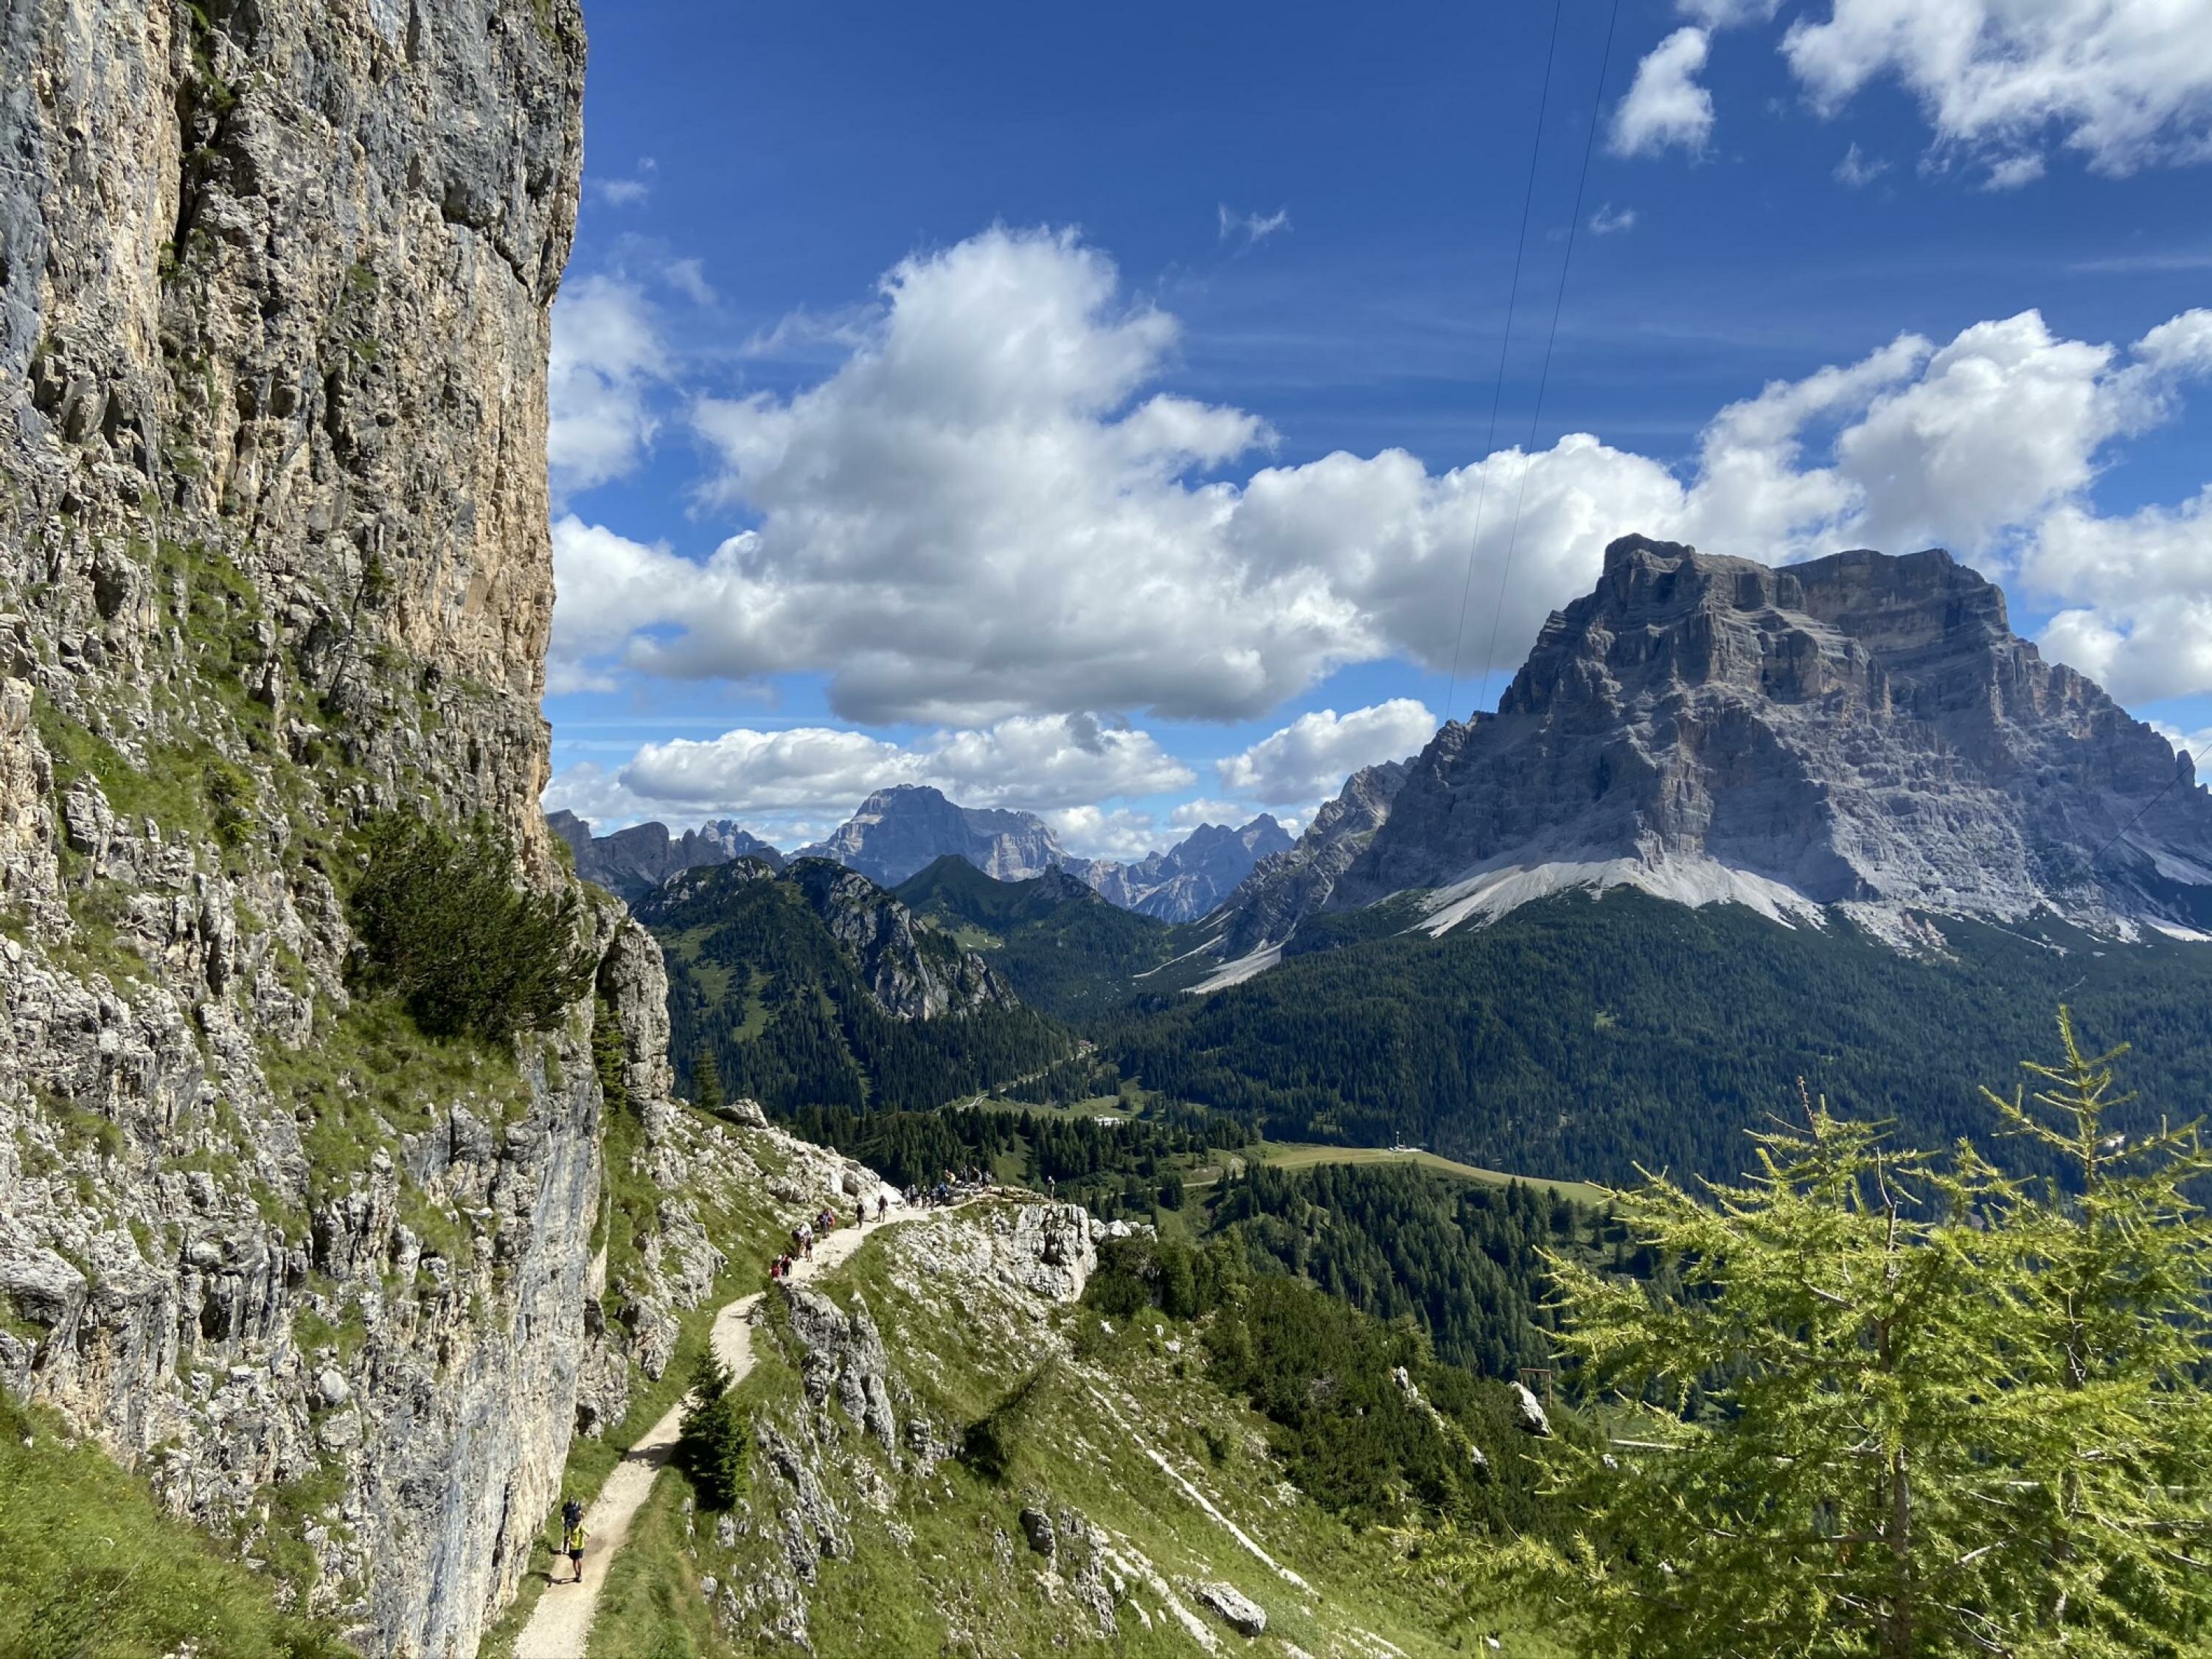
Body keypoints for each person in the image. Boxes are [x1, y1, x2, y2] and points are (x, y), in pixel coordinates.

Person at [558, 1498, 586, 1583]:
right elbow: (563, 1514)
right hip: (580, 1545)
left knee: (575, 1561)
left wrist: (568, 1542)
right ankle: (579, 1575)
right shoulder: (580, 1526)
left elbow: (566, 1537)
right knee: (579, 1560)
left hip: (574, 1546)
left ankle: (578, 1574)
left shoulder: (571, 1528)